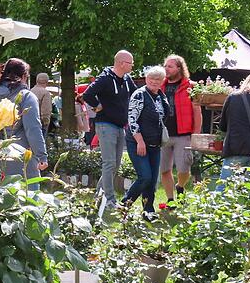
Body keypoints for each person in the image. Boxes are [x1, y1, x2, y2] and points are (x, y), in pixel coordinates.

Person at [83, 50, 137, 208]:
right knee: (109, 163)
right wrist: (98, 106)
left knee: (115, 165)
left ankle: (99, 197)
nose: (132, 66)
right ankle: (110, 201)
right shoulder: (105, 78)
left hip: (120, 126)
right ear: (121, 63)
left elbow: (136, 94)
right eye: (130, 63)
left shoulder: (127, 79)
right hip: (105, 125)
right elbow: (87, 95)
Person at [0, 58, 48, 182]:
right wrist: (42, 156)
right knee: (28, 198)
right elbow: (33, 129)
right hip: (20, 159)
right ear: (24, 76)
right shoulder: (26, 96)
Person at [121, 66, 169, 217]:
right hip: (138, 142)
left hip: (155, 144)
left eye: (158, 79)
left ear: (162, 81)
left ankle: (148, 211)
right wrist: (140, 141)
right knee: (145, 177)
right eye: (151, 79)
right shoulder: (139, 95)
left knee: (152, 181)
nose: (154, 82)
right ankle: (124, 205)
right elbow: (132, 120)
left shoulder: (161, 96)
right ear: (146, 79)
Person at [160, 55, 202, 204]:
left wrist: (195, 135)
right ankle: (170, 200)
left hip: (183, 135)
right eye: (165, 66)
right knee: (164, 170)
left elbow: (197, 112)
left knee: (184, 170)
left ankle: (180, 186)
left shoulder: (191, 86)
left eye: (170, 66)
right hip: (163, 135)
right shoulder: (160, 86)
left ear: (179, 68)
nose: (166, 69)